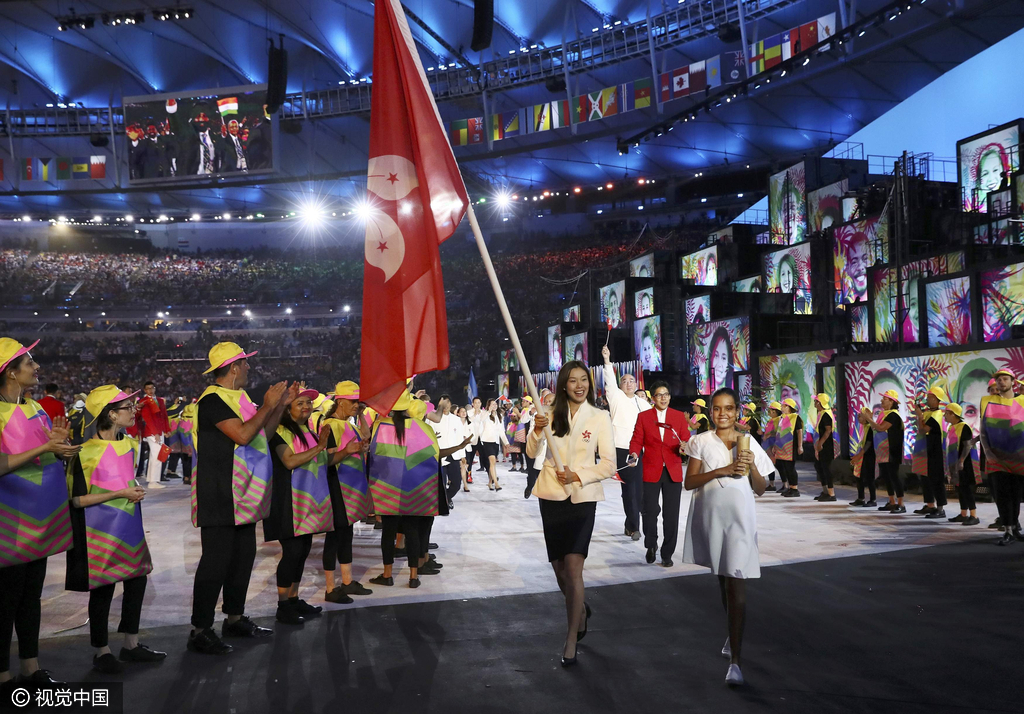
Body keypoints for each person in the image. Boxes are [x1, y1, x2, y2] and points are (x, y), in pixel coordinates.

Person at [188, 342, 296, 655]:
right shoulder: (212, 399)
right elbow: (243, 435)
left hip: (244, 495)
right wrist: (267, 405)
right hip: (221, 493)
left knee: (242, 560)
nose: (249, 368)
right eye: (246, 363)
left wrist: (277, 407)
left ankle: (234, 618)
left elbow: (264, 433)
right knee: (215, 563)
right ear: (235, 367)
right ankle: (200, 628)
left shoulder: (240, 398)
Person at [65, 385, 166, 673]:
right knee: (103, 589)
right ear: (111, 414)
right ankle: (102, 651)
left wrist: (131, 491)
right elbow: (76, 499)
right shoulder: (83, 453)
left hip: (130, 525)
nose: (134, 411)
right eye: (128, 407)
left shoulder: (130, 444)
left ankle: (131, 645)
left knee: (137, 581)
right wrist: (121, 493)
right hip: (99, 531)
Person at [0, 338, 77, 692]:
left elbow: (48, 453)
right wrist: (46, 446)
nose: (36, 367)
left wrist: (61, 450)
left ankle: (30, 667)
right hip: (9, 522)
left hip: (41, 519)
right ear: (10, 372)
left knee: (31, 596)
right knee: (6, 600)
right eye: (29, 362)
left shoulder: (36, 409)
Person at [527, 361, 615, 667]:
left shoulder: (600, 416)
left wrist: (577, 475)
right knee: (560, 571)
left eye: (584, 380)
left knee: (575, 568)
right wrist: (537, 430)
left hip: (582, 498)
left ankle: (570, 638)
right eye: (573, 380)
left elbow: (608, 464)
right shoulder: (550, 413)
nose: (580, 385)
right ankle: (581, 609)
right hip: (550, 495)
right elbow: (530, 451)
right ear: (564, 385)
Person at [683, 388, 771, 688]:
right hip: (712, 520)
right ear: (711, 411)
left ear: (737, 412)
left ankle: (736, 661)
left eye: (729, 408)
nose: (723, 414)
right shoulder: (700, 441)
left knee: (736, 579)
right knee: (723, 579)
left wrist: (751, 465)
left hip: (741, 521)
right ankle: (732, 634)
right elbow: (689, 481)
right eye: (718, 409)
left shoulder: (749, 442)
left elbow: (761, 488)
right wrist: (724, 469)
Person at [266, 389, 337, 625]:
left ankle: (294, 598)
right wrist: (320, 447)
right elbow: (289, 461)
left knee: (303, 551)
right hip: (288, 501)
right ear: (287, 408)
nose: (306, 406)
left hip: (308, 501)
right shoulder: (279, 432)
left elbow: (321, 461)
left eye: (308, 402)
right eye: (300, 403)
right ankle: (282, 604)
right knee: (292, 552)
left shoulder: (309, 431)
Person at [367, 391, 443, 589]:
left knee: (388, 533)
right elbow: (434, 457)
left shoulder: (379, 426)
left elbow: (373, 458)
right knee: (412, 532)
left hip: (387, 489)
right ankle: (413, 576)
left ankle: (387, 574)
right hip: (416, 489)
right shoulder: (424, 428)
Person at [628, 381, 691, 567]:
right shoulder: (644, 417)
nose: (663, 398)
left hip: (672, 470)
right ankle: (651, 545)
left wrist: (685, 447)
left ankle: (667, 553)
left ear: (670, 397)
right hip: (651, 469)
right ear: (652, 398)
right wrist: (633, 454)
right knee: (649, 511)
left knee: (671, 515)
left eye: (666, 394)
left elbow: (686, 438)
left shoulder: (678, 417)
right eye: (659, 395)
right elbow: (636, 440)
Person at [321, 381, 373, 604]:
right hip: (336, 487)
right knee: (334, 537)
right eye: (353, 402)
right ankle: (330, 587)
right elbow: (325, 459)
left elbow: (366, 437)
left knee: (346, 535)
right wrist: (348, 450)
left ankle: (347, 581)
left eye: (359, 402)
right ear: (340, 401)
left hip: (350, 490)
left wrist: (360, 416)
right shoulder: (329, 426)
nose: (356, 405)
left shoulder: (348, 424)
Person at [602, 345, 652, 540]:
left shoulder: (643, 403)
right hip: (623, 449)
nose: (629, 383)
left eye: (632, 380)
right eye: (625, 380)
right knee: (630, 488)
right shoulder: (616, 398)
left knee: (636, 491)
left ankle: (630, 524)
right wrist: (607, 361)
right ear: (620, 385)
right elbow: (609, 381)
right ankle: (634, 526)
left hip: (642, 451)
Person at [979, 369, 1024, 545]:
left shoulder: (1022, 401)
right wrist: (988, 452)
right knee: (1002, 494)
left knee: (1016, 495)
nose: (1001, 382)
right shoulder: (988, 402)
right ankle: (1007, 530)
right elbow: (983, 431)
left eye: (1005, 379)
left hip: (1019, 457)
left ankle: (1014, 528)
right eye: (998, 380)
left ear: (1013, 381)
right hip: (996, 458)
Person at [863, 389, 906, 513]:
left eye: (885, 399)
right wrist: (871, 419)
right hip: (883, 452)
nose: (882, 400)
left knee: (894, 476)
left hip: (891, 452)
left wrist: (869, 419)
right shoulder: (885, 414)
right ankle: (892, 502)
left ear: (892, 402)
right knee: (887, 477)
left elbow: (881, 428)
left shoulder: (893, 416)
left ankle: (901, 504)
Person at [911, 387, 949, 519]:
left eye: (930, 397)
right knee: (925, 478)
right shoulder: (929, 413)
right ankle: (930, 505)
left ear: (937, 400)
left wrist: (919, 415)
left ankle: (940, 508)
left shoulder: (937, 415)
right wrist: (920, 416)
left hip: (935, 451)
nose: (928, 399)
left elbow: (923, 430)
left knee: (937, 479)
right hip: (926, 451)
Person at [944, 403, 981, 526]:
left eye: (946, 413)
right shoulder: (952, 427)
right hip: (955, 462)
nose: (944, 416)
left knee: (966, 488)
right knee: (960, 488)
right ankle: (963, 514)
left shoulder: (964, 427)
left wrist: (961, 461)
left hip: (965, 462)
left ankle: (974, 515)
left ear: (953, 414)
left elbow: (967, 445)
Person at [137, 381, 172, 487]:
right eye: (148, 389)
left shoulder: (160, 401)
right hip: (152, 431)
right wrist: (155, 433)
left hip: (160, 430)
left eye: (152, 388)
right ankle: (153, 481)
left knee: (156, 454)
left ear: (155, 388)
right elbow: (147, 419)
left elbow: (164, 416)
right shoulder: (144, 401)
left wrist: (167, 430)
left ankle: (152, 479)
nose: (150, 390)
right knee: (156, 455)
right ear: (145, 390)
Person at [525, 389, 555, 499]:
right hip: (538, 450)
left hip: (555, 459)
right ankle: (530, 487)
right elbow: (532, 430)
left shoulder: (563, 417)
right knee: (534, 473)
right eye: (545, 401)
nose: (547, 404)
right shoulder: (538, 415)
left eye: (550, 401)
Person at [479, 398, 509, 491]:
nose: (494, 406)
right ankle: (496, 484)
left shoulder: (499, 416)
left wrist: (506, 442)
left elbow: (501, 431)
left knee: (493, 463)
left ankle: (489, 482)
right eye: (492, 404)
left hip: (495, 442)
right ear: (488, 405)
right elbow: (481, 419)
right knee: (492, 462)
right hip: (487, 441)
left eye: (495, 404)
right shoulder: (484, 413)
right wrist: (488, 411)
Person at [849, 410, 878, 507]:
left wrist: (858, 456)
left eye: (860, 416)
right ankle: (861, 498)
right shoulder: (864, 428)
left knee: (870, 478)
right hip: (862, 456)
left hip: (869, 456)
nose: (858, 418)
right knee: (859, 477)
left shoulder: (870, 428)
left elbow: (868, 444)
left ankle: (873, 499)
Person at [776, 398, 803, 497]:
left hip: (791, 447)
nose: (782, 407)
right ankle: (790, 488)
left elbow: (799, 432)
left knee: (790, 467)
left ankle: (794, 488)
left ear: (788, 407)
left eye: (783, 405)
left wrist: (800, 446)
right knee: (785, 467)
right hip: (782, 447)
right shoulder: (782, 417)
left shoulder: (796, 417)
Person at [812, 394, 837, 502]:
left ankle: (831, 494)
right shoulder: (821, 414)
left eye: (816, 401)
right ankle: (825, 491)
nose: (814, 403)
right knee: (819, 467)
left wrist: (820, 443)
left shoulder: (826, 414)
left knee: (826, 468)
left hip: (826, 446)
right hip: (821, 445)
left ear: (820, 402)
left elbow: (828, 430)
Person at [761, 402, 782, 492]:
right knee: (769, 464)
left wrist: (769, 435)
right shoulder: (771, 420)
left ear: (775, 411)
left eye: (771, 409)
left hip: (773, 444)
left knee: (777, 464)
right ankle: (771, 484)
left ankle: (785, 483)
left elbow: (778, 432)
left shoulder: (778, 420)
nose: (769, 411)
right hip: (767, 445)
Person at [708, 328, 733, 394]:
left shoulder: (732, 393)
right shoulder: (703, 389)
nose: (719, 364)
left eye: (724, 358)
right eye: (716, 355)